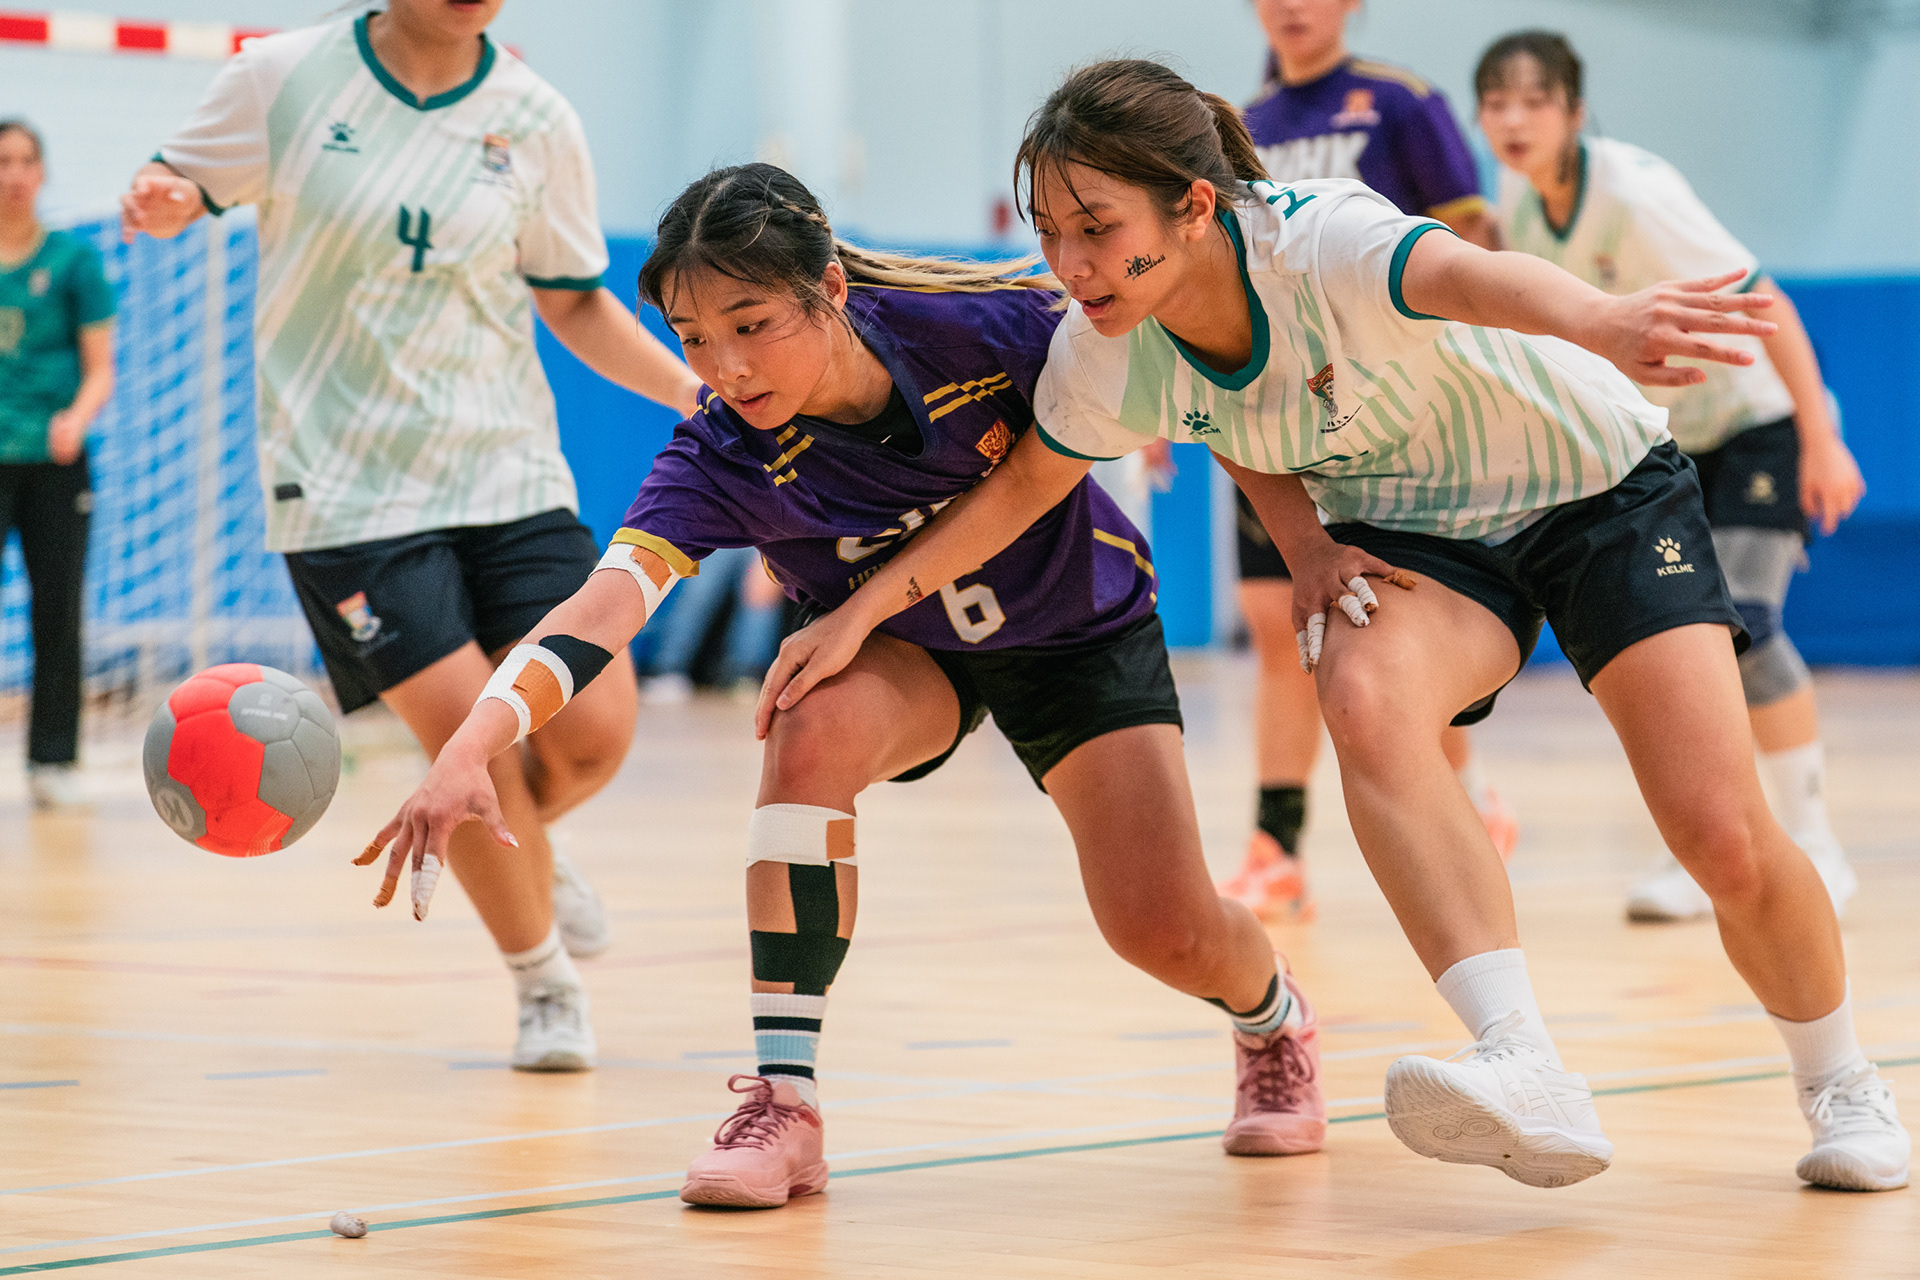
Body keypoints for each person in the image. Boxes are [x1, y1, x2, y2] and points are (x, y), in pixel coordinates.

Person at [765, 61, 1910, 1193]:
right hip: (1416, 533)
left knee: (1719, 835)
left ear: (1195, 206)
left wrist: (1603, 317)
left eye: (1097, 227)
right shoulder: (1110, 343)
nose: (1070, 263)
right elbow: (1074, 468)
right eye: (1050, 231)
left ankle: (1842, 1077)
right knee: (1358, 689)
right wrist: (861, 611)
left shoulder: (1323, 241)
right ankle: (1522, 1057)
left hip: (1596, 491)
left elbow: (1477, 275)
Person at [366, 162, 1329, 1211]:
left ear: (828, 288)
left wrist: (1276, 520)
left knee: (1163, 929)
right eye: (693, 338)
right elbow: (600, 608)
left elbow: (1192, 374)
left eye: (750, 324)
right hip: (904, 654)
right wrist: (471, 745)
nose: (726, 365)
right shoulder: (722, 452)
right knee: (806, 719)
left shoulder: (978, 331)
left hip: (1072, 630)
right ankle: (785, 1104)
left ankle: (1273, 1018)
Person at [121, 0, 701, 1070]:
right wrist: (163, 201)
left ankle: (530, 852)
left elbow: (574, 302)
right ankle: (543, 981)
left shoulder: (536, 116)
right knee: (471, 743)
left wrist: (693, 394)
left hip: (507, 470)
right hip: (346, 492)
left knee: (591, 731)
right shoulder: (281, 77)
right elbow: (175, 184)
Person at [1475, 31, 1865, 923]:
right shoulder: (1517, 197)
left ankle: (1814, 842)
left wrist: (1819, 437)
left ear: (1574, 112)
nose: (1513, 120)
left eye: (1534, 101)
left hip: (1758, 423)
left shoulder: (1636, 194)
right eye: (1496, 103)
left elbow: (1767, 301)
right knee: (1676, 643)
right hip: (1663, 445)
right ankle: (1707, 843)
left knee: (1748, 623)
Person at [1219, 0, 1515, 920]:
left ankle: (1465, 796)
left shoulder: (1400, 102)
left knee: (1393, 628)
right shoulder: (1239, 125)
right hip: (1272, 408)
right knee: (1276, 624)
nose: (1291, 7)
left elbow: (1471, 245)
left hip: (1382, 411)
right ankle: (1277, 848)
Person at [0, 120, 115, 810]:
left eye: (25, 161)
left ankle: (53, 761)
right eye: (2, 160)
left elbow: (101, 367)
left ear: (41, 173)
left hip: (54, 460)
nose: (14, 173)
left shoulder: (73, 260)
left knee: (58, 609)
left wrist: (77, 416)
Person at [639, 546, 785, 703]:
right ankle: (668, 671)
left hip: (762, 538)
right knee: (697, 595)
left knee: (759, 600)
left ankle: (745, 677)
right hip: (728, 535)